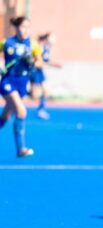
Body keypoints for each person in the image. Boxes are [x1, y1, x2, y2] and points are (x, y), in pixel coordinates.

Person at [0, 16, 42, 158]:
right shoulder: (7, 43)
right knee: (21, 112)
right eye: (22, 27)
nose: (25, 30)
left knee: (5, 116)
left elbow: (40, 63)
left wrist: (32, 62)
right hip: (8, 82)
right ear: (16, 28)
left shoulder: (33, 45)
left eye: (27, 27)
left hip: (22, 83)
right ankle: (21, 149)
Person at [30, 32, 61, 120]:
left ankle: (41, 109)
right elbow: (37, 59)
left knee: (46, 91)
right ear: (47, 38)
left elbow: (47, 60)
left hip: (40, 71)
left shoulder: (47, 48)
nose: (54, 40)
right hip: (35, 71)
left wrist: (55, 65)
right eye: (52, 38)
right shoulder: (41, 46)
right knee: (34, 95)